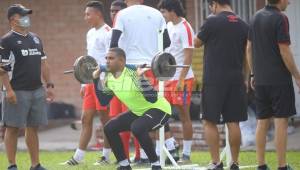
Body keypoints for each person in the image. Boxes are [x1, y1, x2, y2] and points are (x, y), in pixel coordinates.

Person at [110, 0, 178, 163]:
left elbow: (114, 44)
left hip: (132, 70)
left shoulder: (122, 14)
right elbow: (166, 42)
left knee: (139, 112)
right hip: (153, 68)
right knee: (153, 110)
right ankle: (166, 148)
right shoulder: (156, 13)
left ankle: (150, 156)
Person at [93, 47, 171, 170]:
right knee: (109, 128)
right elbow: (103, 101)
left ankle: (155, 165)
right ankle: (124, 165)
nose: (107, 61)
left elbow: (152, 98)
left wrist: (141, 78)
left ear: (122, 62)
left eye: (111, 58)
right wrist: (95, 78)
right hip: (139, 112)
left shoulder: (133, 73)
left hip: (159, 110)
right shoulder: (109, 78)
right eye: (106, 58)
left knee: (137, 127)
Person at [194, 0, 249, 169]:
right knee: (234, 122)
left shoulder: (212, 21)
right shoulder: (243, 24)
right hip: (236, 79)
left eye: (211, 6)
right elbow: (247, 55)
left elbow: (196, 43)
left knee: (209, 121)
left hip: (214, 80)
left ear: (215, 4)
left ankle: (216, 162)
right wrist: (246, 78)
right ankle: (235, 162)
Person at [0, 4, 54, 170]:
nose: (26, 17)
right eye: (22, 15)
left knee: (33, 127)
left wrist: (49, 84)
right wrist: (8, 90)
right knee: (13, 128)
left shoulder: (36, 38)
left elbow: (43, 63)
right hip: (16, 90)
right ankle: (12, 165)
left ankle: (35, 164)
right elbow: (2, 68)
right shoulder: (6, 41)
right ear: (12, 20)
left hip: (37, 90)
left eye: (27, 14)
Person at [247, 0, 300, 169]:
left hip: (260, 80)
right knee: (280, 122)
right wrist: (297, 76)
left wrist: (253, 73)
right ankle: (282, 166)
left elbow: (249, 48)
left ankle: (261, 165)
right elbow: (285, 50)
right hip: (279, 80)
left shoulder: (255, 17)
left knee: (262, 122)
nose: (290, 2)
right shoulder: (280, 18)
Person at [62, 1, 111, 165]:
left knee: (106, 120)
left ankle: (106, 156)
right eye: (85, 14)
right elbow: (88, 60)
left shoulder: (108, 33)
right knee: (85, 118)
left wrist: (106, 82)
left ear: (98, 14)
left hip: (104, 83)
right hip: (89, 83)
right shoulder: (90, 33)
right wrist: (83, 83)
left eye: (88, 14)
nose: (85, 17)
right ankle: (78, 157)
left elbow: (112, 61)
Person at [158, 0, 195, 163]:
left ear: (172, 11)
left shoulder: (185, 27)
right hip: (167, 78)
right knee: (160, 113)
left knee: (183, 115)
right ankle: (168, 148)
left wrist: (181, 79)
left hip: (183, 79)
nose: (163, 15)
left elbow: (188, 55)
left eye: (164, 12)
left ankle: (186, 154)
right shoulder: (169, 26)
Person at [107, 0, 142, 162]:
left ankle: (140, 156)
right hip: (115, 80)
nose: (114, 14)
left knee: (134, 118)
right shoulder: (110, 33)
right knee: (117, 119)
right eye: (112, 11)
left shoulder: (132, 30)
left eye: (117, 11)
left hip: (129, 78)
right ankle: (124, 157)